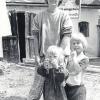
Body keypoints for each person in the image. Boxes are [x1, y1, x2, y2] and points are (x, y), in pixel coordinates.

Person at [28, 0, 73, 100]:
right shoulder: (39, 17)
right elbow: (35, 37)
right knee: (42, 86)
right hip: (44, 57)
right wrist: (36, 55)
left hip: (60, 58)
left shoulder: (64, 16)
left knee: (60, 84)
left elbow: (67, 36)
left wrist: (59, 56)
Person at [64, 32, 89, 100]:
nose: (75, 45)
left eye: (78, 43)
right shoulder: (69, 57)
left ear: (83, 45)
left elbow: (78, 70)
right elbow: (66, 70)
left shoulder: (84, 58)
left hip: (78, 89)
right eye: (73, 43)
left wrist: (74, 59)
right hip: (68, 86)